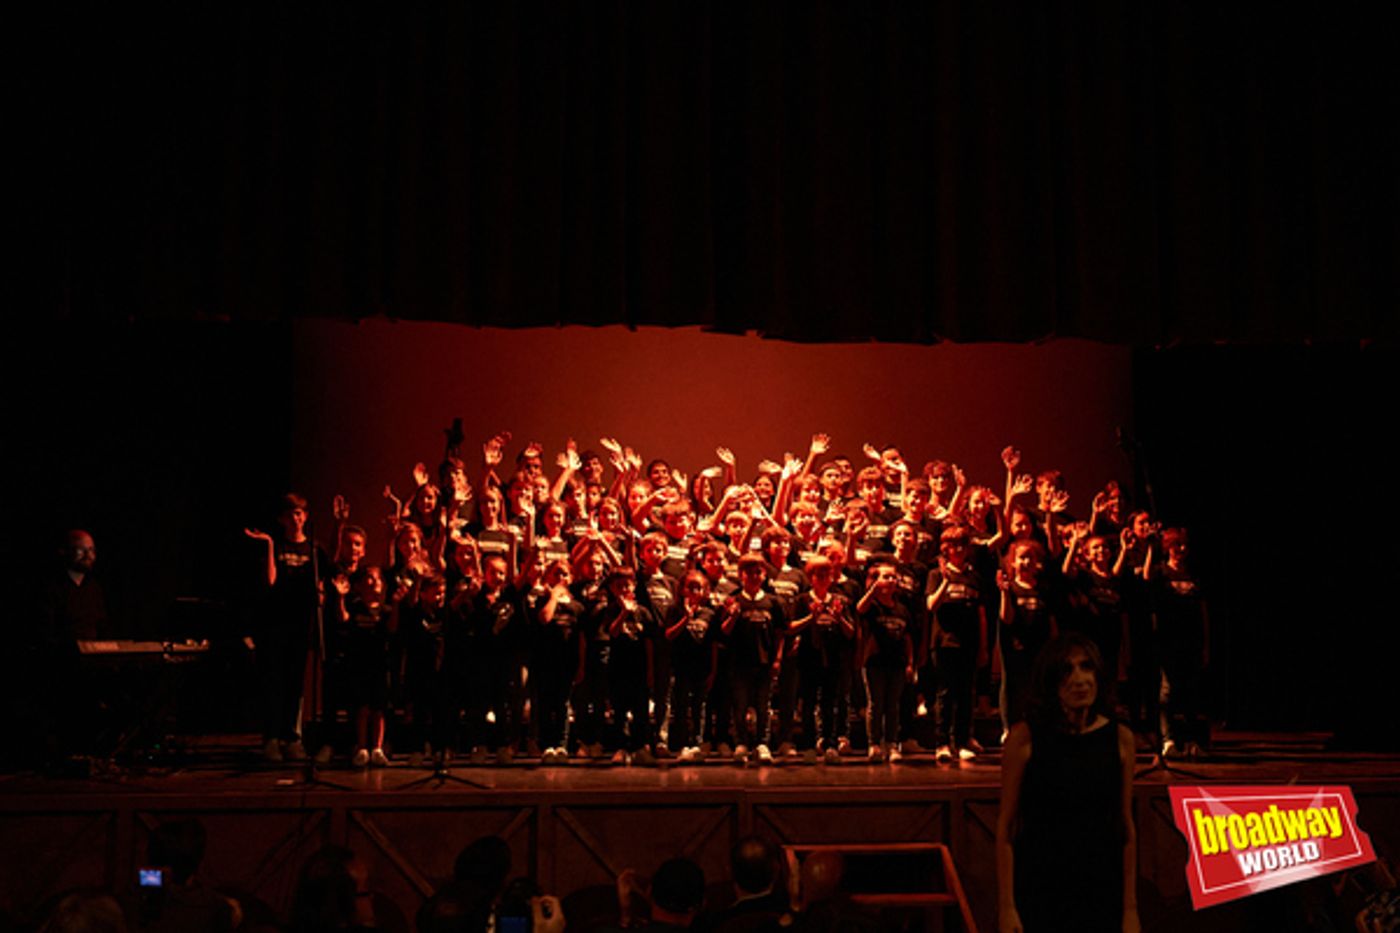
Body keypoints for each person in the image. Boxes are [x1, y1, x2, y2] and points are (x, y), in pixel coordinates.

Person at [996, 635, 1139, 933]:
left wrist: (1130, 909)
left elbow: (1125, 828)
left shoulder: (1120, 739)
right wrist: (1007, 907)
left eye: (1086, 668)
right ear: (1051, 682)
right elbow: (1006, 828)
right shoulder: (1025, 738)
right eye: (1067, 671)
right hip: (1041, 889)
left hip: (1101, 890)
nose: (1080, 680)